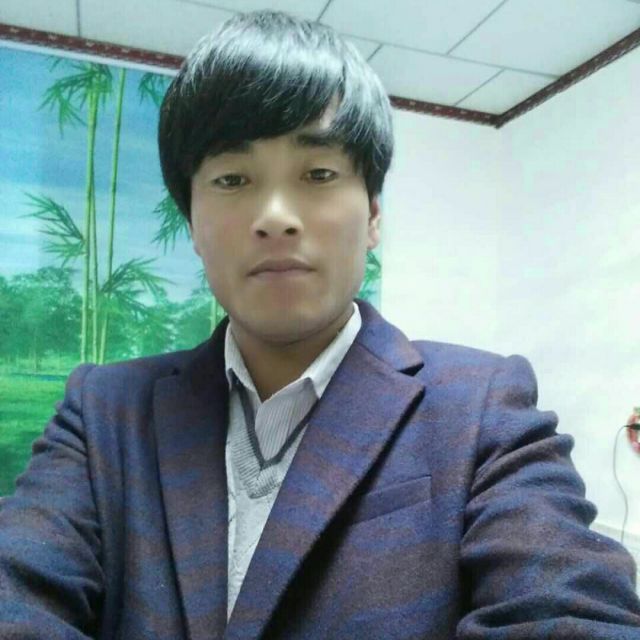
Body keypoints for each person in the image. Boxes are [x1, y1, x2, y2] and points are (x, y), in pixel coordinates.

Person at [1, 9, 639, 640]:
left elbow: (571, 607)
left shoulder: (481, 410)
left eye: (319, 174)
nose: (276, 216)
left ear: (373, 214)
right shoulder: (103, 413)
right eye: (232, 178)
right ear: (192, 223)